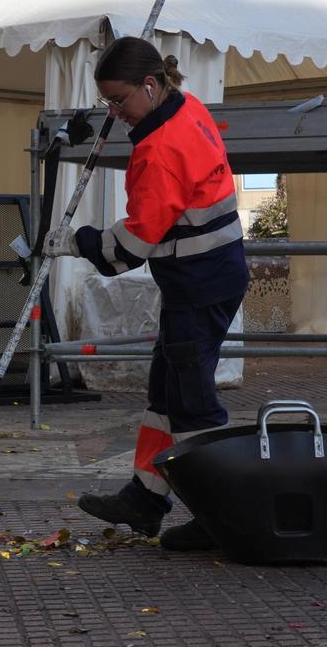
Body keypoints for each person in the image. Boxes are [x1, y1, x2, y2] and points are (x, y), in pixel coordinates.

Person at [43, 36, 249, 551]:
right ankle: (146, 497)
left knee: (192, 405)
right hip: (209, 278)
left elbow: (132, 248)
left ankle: (219, 514)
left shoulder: (158, 152)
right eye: (106, 103)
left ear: (150, 85)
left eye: (119, 101)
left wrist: (77, 242)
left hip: (198, 285)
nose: (114, 114)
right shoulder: (187, 106)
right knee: (166, 395)